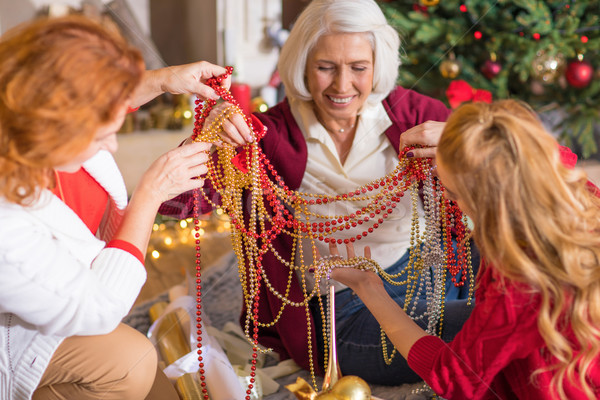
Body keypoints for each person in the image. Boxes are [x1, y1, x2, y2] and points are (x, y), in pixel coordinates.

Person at [160, 0, 479, 386]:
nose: (342, 86)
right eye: (325, 67)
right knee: (483, 330)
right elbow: (175, 204)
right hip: (342, 308)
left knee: (540, 283)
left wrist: (472, 145)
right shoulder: (266, 134)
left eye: (358, 68)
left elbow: (528, 180)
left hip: (430, 272)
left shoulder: (416, 114)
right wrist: (208, 139)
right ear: (302, 66)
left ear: (378, 65)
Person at [0, 15, 230, 400]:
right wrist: (150, 194)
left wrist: (163, 80)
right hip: (22, 335)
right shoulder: (8, 226)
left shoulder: (28, 122)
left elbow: (86, 95)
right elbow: (98, 308)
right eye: (103, 135)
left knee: (164, 390)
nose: (113, 146)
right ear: (55, 127)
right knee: (134, 361)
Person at [330, 99, 600, 399]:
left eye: (454, 193)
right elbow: (549, 156)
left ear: (489, 202)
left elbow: (451, 376)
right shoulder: (582, 199)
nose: (446, 195)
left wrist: (370, 289)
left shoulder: (519, 283)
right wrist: (469, 137)